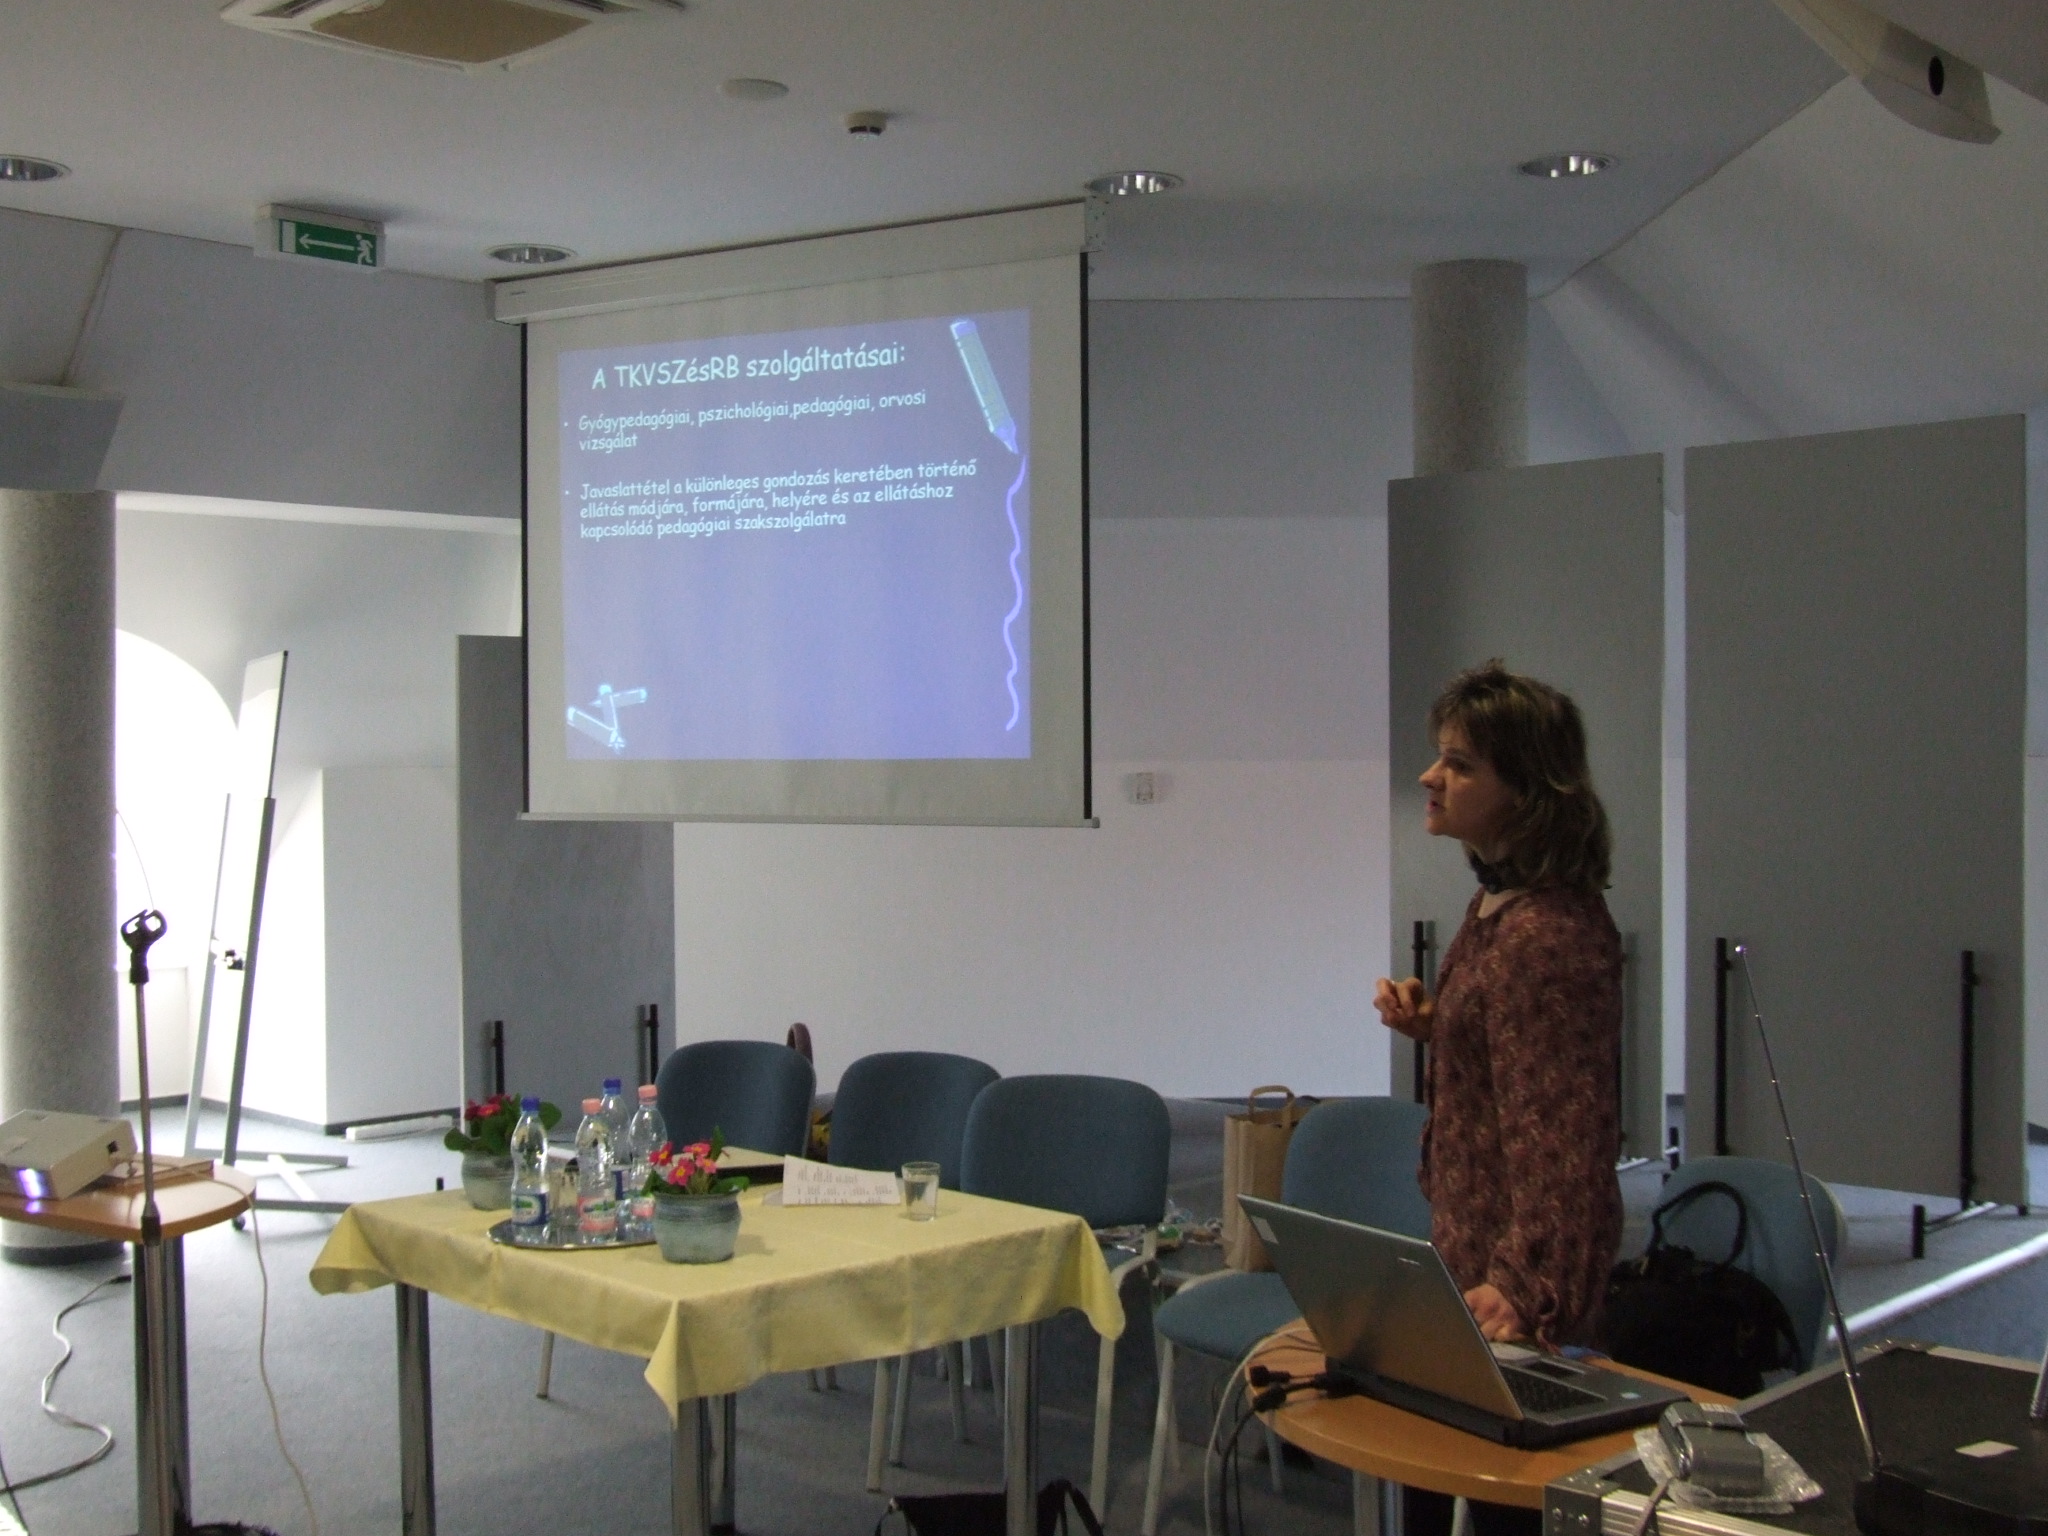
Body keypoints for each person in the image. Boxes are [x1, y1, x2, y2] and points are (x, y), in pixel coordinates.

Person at [1374, 660, 1623, 1350]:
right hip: (1474, 1243)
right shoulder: (1499, 903)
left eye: (1459, 765)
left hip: (1510, 1288)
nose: (1429, 777)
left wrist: (1523, 1284)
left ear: (1527, 792)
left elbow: (1566, 1142)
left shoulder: (1544, 936)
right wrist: (1439, 1027)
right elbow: (1522, 1058)